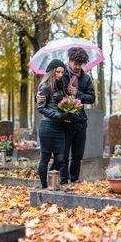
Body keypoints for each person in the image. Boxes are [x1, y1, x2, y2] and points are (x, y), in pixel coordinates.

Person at [37, 47, 95, 184]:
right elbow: (48, 90)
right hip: (64, 121)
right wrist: (37, 97)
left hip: (80, 121)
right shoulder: (61, 74)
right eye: (75, 63)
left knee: (78, 155)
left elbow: (91, 98)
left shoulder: (86, 79)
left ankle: (74, 179)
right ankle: (63, 180)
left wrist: (77, 93)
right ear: (69, 61)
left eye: (80, 64)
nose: (77, 67)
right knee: (62, 157)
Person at [37, 59, 71, 188]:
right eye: (58, 72)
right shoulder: (44, 86)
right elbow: (41, 108)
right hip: (48, 126)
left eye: (62, 72)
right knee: (45, 157)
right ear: (52, 72)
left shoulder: (61, 86)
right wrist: (58, 115)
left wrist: (69, 109)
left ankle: (51, 180)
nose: (60, 75)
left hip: (60, 127)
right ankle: (44, 186)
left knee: (60, 158)